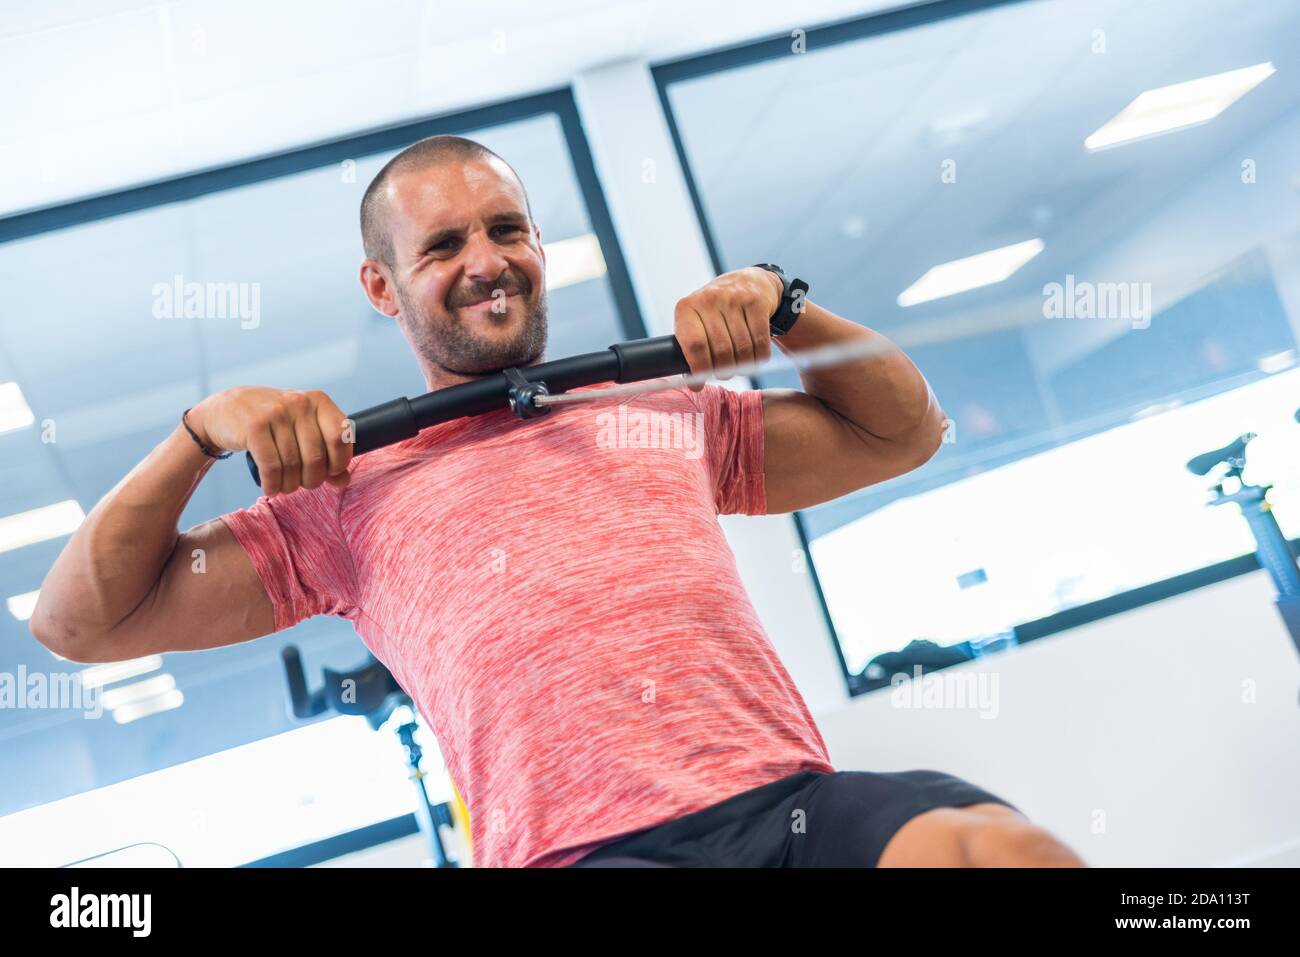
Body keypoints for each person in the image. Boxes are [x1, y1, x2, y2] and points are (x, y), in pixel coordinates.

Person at [31, 135, 1084, 868]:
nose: (485, 262)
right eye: (442, 246)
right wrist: (195, 435)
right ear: (381, 286)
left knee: (1004, 854)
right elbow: (79, 622)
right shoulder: (339, 502)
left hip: (789, 808)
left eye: (506, 230)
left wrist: (786, 305)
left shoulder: (657, 410)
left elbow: (902, 432)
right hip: (576, 853)